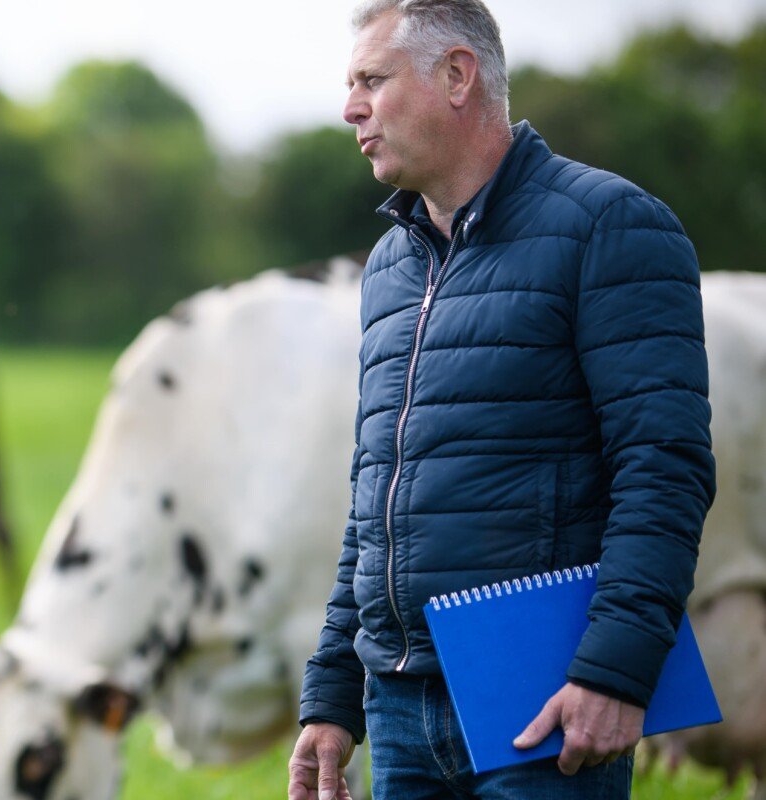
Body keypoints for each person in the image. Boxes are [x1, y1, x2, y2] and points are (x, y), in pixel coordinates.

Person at [288, 2, 716, 799]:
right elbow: (374, 502)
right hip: (399, 710)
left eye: (372, 80)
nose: (350, 107)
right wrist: (333, 695)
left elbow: (664, 468)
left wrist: (615, 673)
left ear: (457, 75)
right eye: (351, 85)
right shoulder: (387, 268)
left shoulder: (612, 226)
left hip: (546, 704)